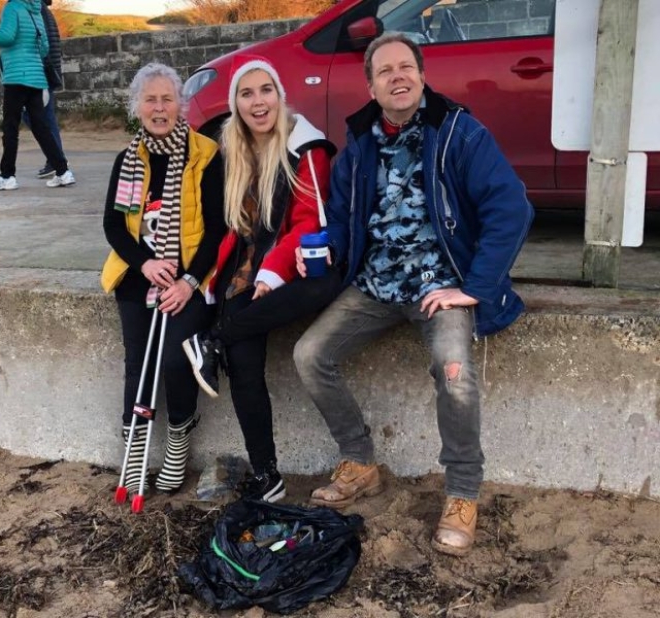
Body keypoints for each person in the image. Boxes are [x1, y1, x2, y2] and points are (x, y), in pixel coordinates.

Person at [293, 33, 533, 555]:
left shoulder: (458, 133)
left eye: (406, 67)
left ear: (422, 76)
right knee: (310, 354)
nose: (397, 77)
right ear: (372, 85)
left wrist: (473, 288)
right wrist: (323, 248)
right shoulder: (359, 144)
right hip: (374, 287)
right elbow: (339, 216)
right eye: (385, 71)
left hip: (438, 288)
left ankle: (463, 493)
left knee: (454, 371)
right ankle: (360, 463)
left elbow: (510, 208)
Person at [182, 56, 340, 503]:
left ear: (279, 95)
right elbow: (222, 225)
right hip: (241, 271)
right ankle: (268, 476)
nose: (257, 102)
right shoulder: (229, 149)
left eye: (265, 90)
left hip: (292, 264)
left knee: (320, 286)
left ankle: (211, 340)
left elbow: (309, 225)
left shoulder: (305, 147)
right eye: (246, 94)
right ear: (235, 103)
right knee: (244, 357)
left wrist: (273, 272)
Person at [101, 63, 226, 495]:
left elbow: (217, 229)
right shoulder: (129, 160)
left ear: (180, 104)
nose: (159, 108)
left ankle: (177, 442)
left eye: (167, 99)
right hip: (141, 277)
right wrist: (145, 265)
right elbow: (115, 227)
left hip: (189, 277)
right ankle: (134, 451)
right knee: (138, 364)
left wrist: (187, 281)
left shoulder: (205, 154)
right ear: (137, 107)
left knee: (174, 360)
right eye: (150, 100)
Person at [0, 0, 74, 191]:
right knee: (41, 127)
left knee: (10, 127)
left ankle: (7, 176)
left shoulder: (13, 7)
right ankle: (63, 171)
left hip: (16, 77)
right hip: (36, 78)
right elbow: (43, 47)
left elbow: (6, 37)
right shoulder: (36, 9)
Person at [21, 0, 69, 180]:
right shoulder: (41, 10)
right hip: (47, 69)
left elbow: (40, 43)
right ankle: (56, 159)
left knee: (37, 116)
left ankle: (56, 160)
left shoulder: (35, 11)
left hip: (40, 71)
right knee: (43, 115)